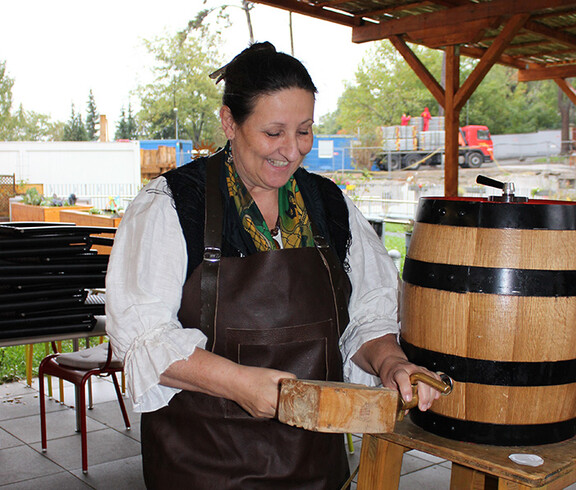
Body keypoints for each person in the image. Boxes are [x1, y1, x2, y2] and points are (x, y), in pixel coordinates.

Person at [106, 42, 442, 489]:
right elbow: (143, 340)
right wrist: (242, 384)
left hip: (316, 465)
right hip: (204, 464)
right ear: (230, 122)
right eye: (273, 132)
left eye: (304, 131)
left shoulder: (329, 204)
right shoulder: (172, 205)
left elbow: (365, 319)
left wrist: (391, 362)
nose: (292, 150)